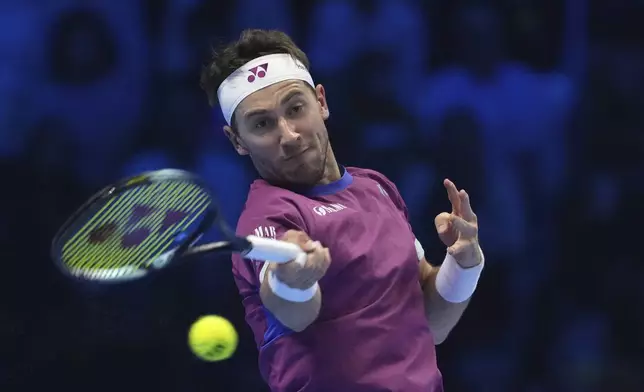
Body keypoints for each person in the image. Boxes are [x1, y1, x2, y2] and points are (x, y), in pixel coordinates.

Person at [200, 29, 485, 392]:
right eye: (262, 124)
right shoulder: (267, 217)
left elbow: (431, 323)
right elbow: (292, 311)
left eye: (295, 109)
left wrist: (465, 265)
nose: (288, 135)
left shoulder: (377, 188)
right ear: (237, 141)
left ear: (321, 101)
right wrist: (294, 282)